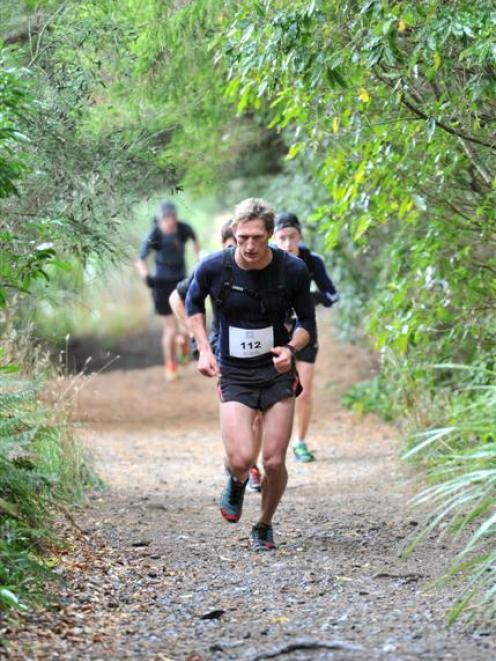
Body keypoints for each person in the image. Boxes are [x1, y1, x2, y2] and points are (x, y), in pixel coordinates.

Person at [186, 198, 316, 551]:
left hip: (276, 373)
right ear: (234, 234)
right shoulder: (214, 267)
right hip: (235, 373)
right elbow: (192, 304)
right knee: (242, 458)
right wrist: (204, 349)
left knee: (274, 461)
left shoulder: (292, 270)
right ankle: (237, 479)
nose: (249, 245)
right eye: (242, 237)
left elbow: (307, 323)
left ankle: (263, 524)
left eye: (257, 238)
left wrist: (290, 349)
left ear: (270, 235)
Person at [169, 220, 263, 493]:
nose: (242, 251)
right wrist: (196, 336)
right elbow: (176, 298)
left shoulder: (264, 266)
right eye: (232, 246)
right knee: (240, 412)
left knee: (257, 415)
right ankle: (239, 464)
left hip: (261, 348)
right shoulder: (212, 266)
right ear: (224, 247)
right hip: (224, 348)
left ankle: (249, 465)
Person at [273, 212, 339, 462]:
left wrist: (314, 298)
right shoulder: (269, 261)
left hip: (306, 331)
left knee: (305, 391)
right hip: (277, 332)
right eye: (282, 238)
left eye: (292, 237)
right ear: (274, 239)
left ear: (300, 236)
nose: (288, 243)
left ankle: (300, 442)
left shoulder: (312, 261)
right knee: (276, 391)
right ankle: (275, 445)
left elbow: (333, 295)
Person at [135, 201, 200, 381]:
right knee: (171, 329)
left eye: (173, 217)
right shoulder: (154, 233)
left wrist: (199, 263)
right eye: (167, 218)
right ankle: (171, 366)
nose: (170, 222)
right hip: (161, 285)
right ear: (161, 219)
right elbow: (140, 260)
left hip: (181, 283)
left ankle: (185, 349)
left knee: (186, 325)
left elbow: (196, 242)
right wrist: (146, 276)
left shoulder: (183, 229)